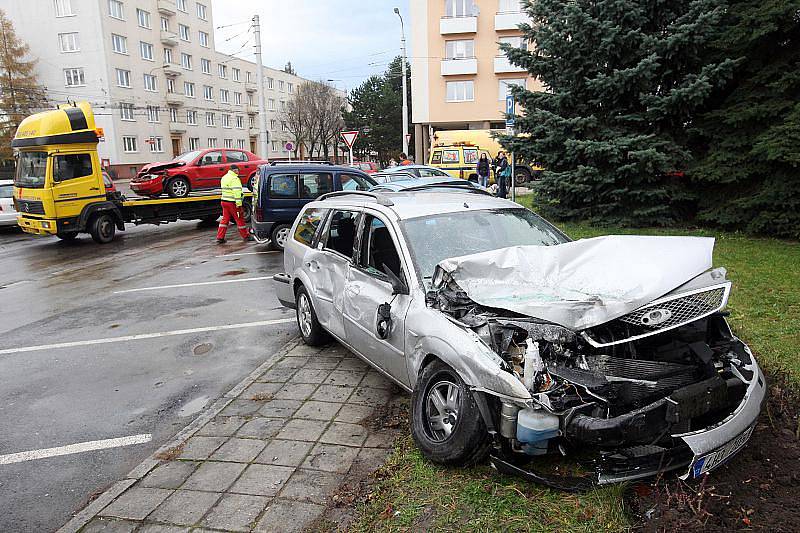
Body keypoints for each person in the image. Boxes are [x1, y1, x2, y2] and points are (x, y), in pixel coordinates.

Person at [216, 165, 250, 244]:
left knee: (225, 219)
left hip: (224, 201)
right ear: (235, 171)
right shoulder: (235, 179)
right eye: (238, 170)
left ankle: (220, 237)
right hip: (232, 203)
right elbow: (237, 192)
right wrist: (239, 204)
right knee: (239, 218)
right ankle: (246, 236)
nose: (239, 172)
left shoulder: (224, 177)